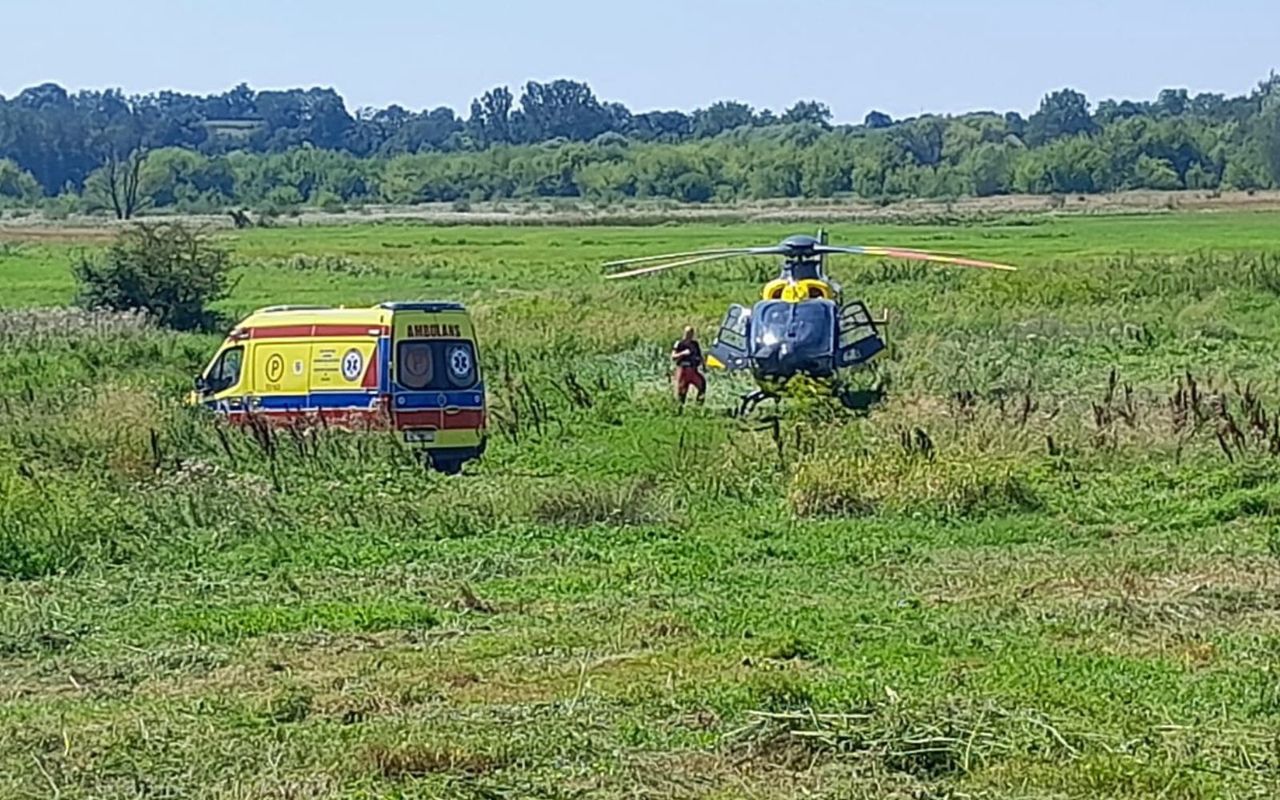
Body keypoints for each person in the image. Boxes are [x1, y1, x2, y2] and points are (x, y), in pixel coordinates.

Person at [671, 325, 706, 408]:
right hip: (683, 370)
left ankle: (698, 407)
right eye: (687, 334)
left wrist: (703, 364)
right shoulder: (679, 343)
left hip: (693, 370)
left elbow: (699, 356)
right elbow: (673, 356)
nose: (689, 336)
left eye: (691, 334)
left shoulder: (695, 344)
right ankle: (679, 409)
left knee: (702, 385)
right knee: (682, 391)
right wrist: (683, 353)